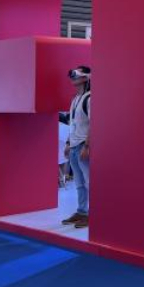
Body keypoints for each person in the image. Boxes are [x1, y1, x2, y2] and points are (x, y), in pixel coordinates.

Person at [62, 66, 91, 229]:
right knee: (79, 183)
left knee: (89, 181)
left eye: (77, 74)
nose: (73, 77)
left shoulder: (90, 98)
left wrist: (87, 145)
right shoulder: (75, 99)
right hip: (74, 146)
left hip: (82, 145)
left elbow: (94, 123)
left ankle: (93, 214)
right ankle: (82, 212)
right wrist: (68, 143)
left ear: (86, 77)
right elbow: (73, 123)